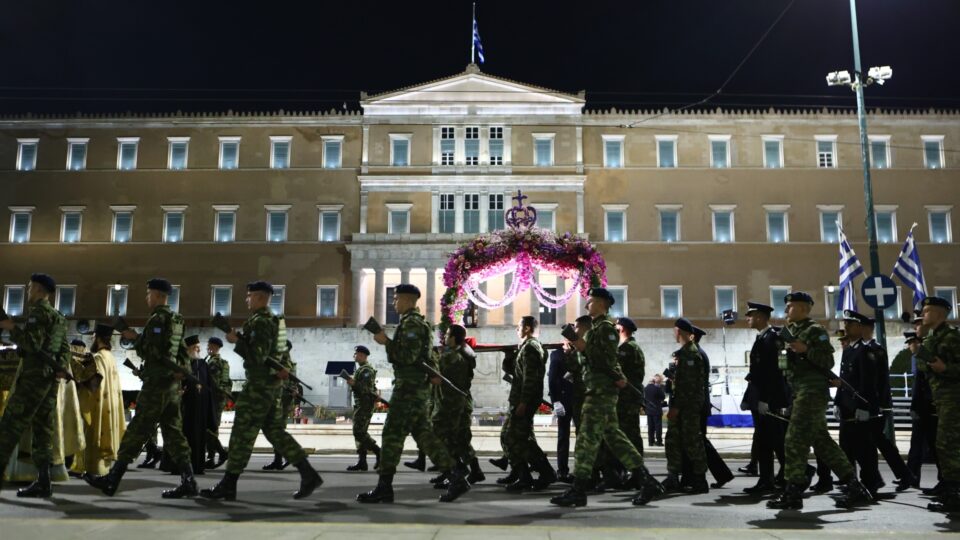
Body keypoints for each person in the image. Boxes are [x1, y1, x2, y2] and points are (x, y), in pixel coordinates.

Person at [200, 281, 322, 501]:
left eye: (249, 296)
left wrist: (237, 341)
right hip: (272, 386)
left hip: (258, 386)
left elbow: (257, 357)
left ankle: (228, 484)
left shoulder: (260, 322)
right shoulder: (277, 322)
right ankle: (308, 473)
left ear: (258, 297)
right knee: (275, 432)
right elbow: (282, 355)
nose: (246, 300)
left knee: (241, 435)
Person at [84, 278, 198, 499]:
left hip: (157, 385)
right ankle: (189, 480)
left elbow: (152, 353)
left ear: (157, 295)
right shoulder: (177, 319)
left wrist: (134, 337)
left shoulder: (158, 319)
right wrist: (182, 371)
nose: (147, 298)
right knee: (174, 433)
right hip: (171, 386)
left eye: (148, 294)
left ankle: (112, 479)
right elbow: (182, 354)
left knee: (137, 431)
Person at [356, 283, 469, 503]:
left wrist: (385, 341)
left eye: (396, 298)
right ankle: (456, 477)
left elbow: (407, 356)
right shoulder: (418, 323)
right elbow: (427, 356)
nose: (393, 302)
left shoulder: (412, 324)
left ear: (408, 300)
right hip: (416, 389)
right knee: (425, 437)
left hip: (408, 390)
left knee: (391, 435)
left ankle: (384, 487)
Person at [550, 287, 662, 507]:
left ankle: (578, 490)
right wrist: (573, 350)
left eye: (590, 301)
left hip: (601, 393)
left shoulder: (606, 329)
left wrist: (577, 341)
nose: (586, 304)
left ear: (601, 302)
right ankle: (647, 481)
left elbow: (604, 359)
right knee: (616, 440)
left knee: (586, 440)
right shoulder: (596, 329)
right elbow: (586, 363)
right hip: (597, 390)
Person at [766, 291, 871, 510]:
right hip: (798, 390)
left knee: (794, 440)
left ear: (804, 308)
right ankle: (855, 486)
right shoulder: (789, 332)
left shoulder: (815, 330)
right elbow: (784, 366)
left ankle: (793, 491)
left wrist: (806, 350)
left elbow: (827, 360)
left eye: (791, 307)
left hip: (812, 391)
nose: (786, 310)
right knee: (822, 443)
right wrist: (784, 359)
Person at [0, 273, 69, 498]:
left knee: (10, 426)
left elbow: (31, 344)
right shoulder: (58, 316)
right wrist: (60, 367)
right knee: (43, 430)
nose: (29, 292)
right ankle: (44, 481)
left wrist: (11, 327)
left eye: (30, 288)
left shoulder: (38, 314)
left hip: (33, 380)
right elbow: (64, 349)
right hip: (50, 381)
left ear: (39, 290)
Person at [501, 316, 555, 492]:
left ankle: (544, 472)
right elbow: (518, 373)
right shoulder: (526, 347)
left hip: (525, 400)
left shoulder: (531, 347)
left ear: (528, 328)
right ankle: (524, 475)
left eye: (519, 326)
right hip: (520, 399)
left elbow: (530, 378)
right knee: (513, 437)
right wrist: (509, 358)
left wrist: (524, 402)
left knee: (518, 438)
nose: (517, 329)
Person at [916, 296, 960, 512]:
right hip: (941, 399)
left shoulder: (952, 337)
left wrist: (946, 368)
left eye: (927, 310)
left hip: (954, 398)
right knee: (944, 445)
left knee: (948, 445)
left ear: (941, 314)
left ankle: (954, 493)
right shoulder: (931, 337)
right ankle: (950, 488)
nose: (923, 314)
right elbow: (924, 367)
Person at [861, 318, 916, 491]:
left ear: (867, 329)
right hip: (869, 403)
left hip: (876, 403)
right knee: (875, 441)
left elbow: (875, 380)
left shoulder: (876, 350)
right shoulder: (862, 349)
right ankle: (896, 475)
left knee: (876, 440)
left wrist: (879, 404)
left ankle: (882, 478)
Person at [742, 301, 788, 495]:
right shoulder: (762, 338)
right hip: (760, 397)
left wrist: (766, 400)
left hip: (767, 400)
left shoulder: (771, 339)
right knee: (765, 442)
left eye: (750, 315)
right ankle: (768, 479)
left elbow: (774, 373)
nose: (748, 319)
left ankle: (784, 475)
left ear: (760, 317)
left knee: (773, 440)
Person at [833, 310, 881, 494]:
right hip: (846, 406)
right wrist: (838, 402)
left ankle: (871, 482)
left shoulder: (865, 351)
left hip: (859, 406)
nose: (846, 326)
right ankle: (852, 483)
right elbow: (843, 379)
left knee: (864, 448)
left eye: (850, 324)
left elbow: (868, 382)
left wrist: (864, 407)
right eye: (846, 323)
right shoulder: (849, 351)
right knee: (846, 447)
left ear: (860, 327)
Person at [431, 324, 483, 486]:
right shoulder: (464, 352)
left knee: (446, 437)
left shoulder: (453, 356)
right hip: (459, 401)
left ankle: (456, 471)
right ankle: (472, 471)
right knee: (460, 439)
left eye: (447, 335)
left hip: (452, 403)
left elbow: (440, 377)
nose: (445, 338)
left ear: (453, 338)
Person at [661, 318, 708, 494]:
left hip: (687, 407)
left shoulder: (690, 354)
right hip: (682, 405)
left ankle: (699, 479)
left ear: (680, 332)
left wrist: (676, 407)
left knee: (693, 442)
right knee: (673, 441)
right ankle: (673, 476)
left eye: (676, 331)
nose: (675, 334)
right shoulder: (683, 353)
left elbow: (688, 386)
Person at [71, 324, 125, 477]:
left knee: (95, 436)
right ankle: (103, 469)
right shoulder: (110, 357)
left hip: (99, 404)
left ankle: (95, 470)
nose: (92, 339)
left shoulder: (99, 357)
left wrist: (77, 372)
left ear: (98, 338)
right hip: (110, 403)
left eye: (93, 336)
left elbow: (95, 383)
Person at [690, 326, 734, 489]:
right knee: (699, 441)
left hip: (698, 405)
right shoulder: (699, 353)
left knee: (700, 441)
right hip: (700, 404)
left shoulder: (697, 355)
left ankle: (720, 474)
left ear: (692, 337)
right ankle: (718, 474)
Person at [548, 325, 581, 484]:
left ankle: (581, 469)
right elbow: (552, 379)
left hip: (580, 399)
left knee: (582, 436)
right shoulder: (557, 354)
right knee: (563, 436)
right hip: (564, 399)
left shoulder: (581, 353)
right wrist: (555, 401)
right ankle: (562, 470)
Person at [905, 331, 937, 489]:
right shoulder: (915, 359)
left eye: (911, 343)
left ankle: (946, 480)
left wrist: (914, 407)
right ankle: (911, 476)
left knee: (933, 445)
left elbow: (920, 385)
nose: (909, 346)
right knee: (916, 445)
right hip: (922, 406)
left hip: (928, 406)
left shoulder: (923, 358)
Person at [180, 335, 216, 475]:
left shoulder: (203, 364)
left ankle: (197, 465)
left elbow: (208, 386)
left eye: (199, 347)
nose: (199, 350)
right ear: (189, 349)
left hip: (200, 407)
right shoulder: (184, 363)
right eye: (196, 347)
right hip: (186, 406)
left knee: (198, 436)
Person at [264, 340, 300, 471]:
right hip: (278, 398)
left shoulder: (286, 364)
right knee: (275, 430)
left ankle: (287, 457)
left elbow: (291, 381)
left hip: (283, 400)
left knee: (277, 430)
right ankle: (278, 460)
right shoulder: (282, 362)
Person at [345, 345, 381, 471]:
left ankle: (378, 452)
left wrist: (354, 384)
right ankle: (362, 461)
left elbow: (366, 390)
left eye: (356, 354)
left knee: (359, 432)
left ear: (362, 355)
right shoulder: (361, 369)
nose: (354, 356)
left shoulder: (366, 370)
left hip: (365, 405)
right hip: (361, 404)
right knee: (359, 433)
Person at [615, 317, 645, 457]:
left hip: (627, 396)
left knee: (629, 432)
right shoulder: (634, 347)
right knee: (631, 431)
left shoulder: (626, 348)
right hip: (631, 395)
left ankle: (637, 470)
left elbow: (616, 371)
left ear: (622, 329)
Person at [203, 337, 230, 470]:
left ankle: (214, 455)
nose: (207, 348)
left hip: (213, 399)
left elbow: (210, 382)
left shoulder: (214, 363)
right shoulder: (222, 362)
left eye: (209, 346)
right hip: (218, 398)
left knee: (209, 428)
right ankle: (212, 456)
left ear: (214, 347)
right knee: (212, 427)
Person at [644, 375, 665, 447]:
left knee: (650, 427)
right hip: (657, 410)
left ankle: (650, 442)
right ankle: (659, 441)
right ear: (654, 381)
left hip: (649, 410)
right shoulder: (657, 388)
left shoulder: (645, 389)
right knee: (658, 427)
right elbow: (663, 396)